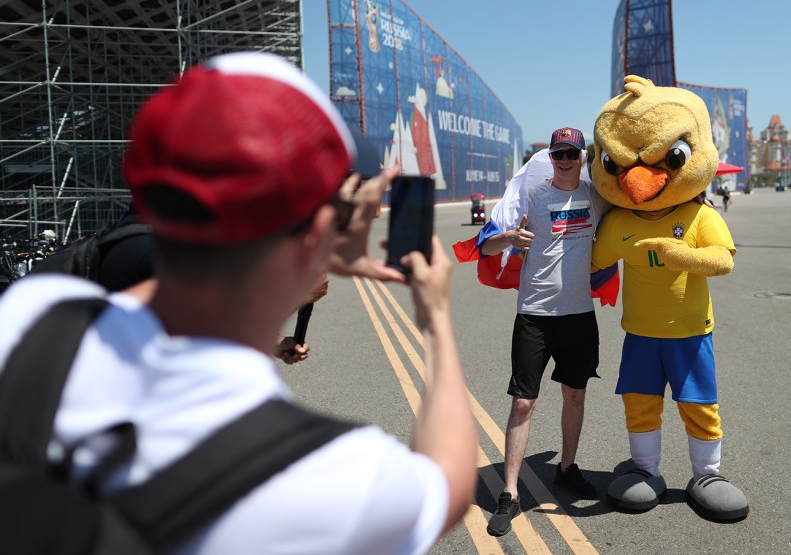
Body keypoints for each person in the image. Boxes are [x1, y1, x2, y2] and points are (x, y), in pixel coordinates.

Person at [0, 52, 477, 554]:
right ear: (319, 234)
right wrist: (436, 318)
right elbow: (449, 481)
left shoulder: (33, 315)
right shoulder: (330, 476)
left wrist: (315, 244)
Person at [480, 127, 611, 537]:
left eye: (572, 153)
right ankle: (510, 493)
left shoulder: (596, 196)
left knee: (575, 394)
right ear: (550, 158)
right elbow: (485, 247)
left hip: (578, 315)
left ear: (583, 156)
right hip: (534, 316)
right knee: (523, 403)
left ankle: (567, 468)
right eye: (558, 154)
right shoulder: (531, 197)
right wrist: (508, 237)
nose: (566, 160)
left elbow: (641, 201)